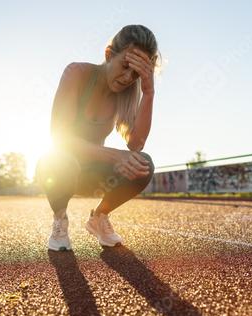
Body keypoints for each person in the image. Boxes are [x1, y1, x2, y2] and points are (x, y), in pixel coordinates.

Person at [35, 24, 161, 251]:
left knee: (144, 163)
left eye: (136, 74)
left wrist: (149, 92)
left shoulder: (128, 92)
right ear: (108, 54)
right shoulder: (77, 73)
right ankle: (60, 220)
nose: (127, 78)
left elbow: (136, 144)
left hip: (93, 176)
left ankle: (99, 217)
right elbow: (59, 137)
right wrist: (114, 156)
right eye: (125, 66)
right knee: (59, 160)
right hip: (60, 171)